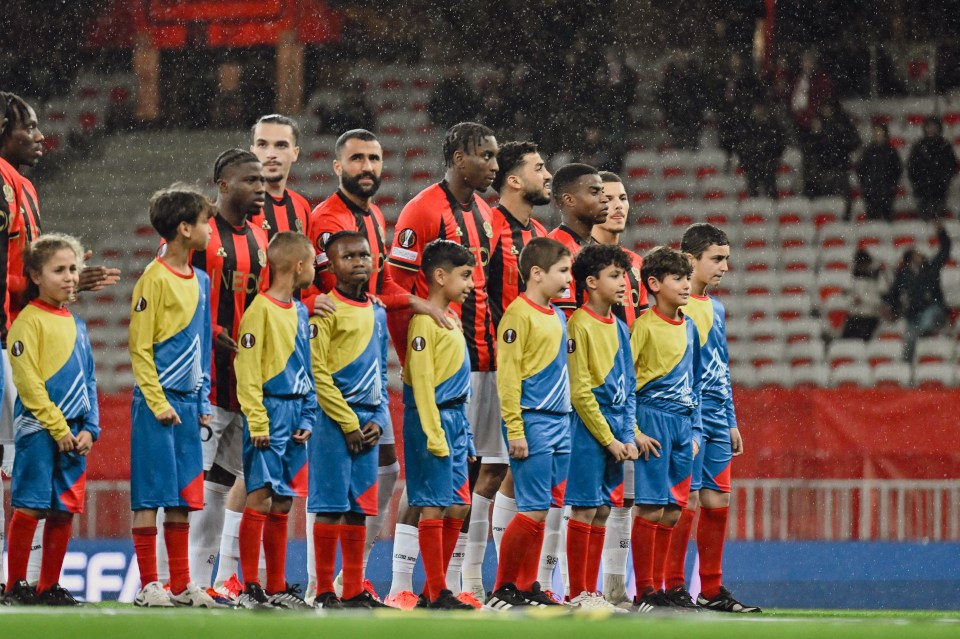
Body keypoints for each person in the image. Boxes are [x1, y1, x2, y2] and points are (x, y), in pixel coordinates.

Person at [306, 129, 449, 604]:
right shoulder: (327, 218)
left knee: (381, 473)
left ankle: (352, 581)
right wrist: (311, 307)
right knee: (330, 493)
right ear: (337, 166)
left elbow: (378, 288)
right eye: (357, 159)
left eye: (374, 158)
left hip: (370, 380)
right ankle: (319, 583)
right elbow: (327, 291)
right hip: (338, 379)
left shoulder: (374, 216)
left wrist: (419, 304)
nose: (367, 167)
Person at [0, 93, 119, 575]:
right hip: (8, 335)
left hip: (14, 332)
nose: (40, 136)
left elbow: (26, 268)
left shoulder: (24, 186)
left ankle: (25, 581)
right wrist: (36, 283)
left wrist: (58, 279)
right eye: (28, 127)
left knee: (20, 464)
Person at [384, 122, 499, 609]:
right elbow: (394, 289)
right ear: (457, 158)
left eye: (496, 157)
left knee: (465, 481)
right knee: (427, 485)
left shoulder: (487, 215)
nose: (494, 164)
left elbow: (484, 289)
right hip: (437, 362)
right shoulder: (422, 209)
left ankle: (450, 584)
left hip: (478, 357)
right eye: (485, 156)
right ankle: (401, 586)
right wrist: (412, 362)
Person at [128, 186, 219, 608]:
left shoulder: (199, 279)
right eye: (205, 222)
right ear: (185, 229)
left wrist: (201, 403)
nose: (210, 229)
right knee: (150, 494)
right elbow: (139, 347)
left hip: (187, 403)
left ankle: (182, 585)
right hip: (156, 403)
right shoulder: (154, 277)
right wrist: (156, 399)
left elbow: (201, 345)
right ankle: (149, 585)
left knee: (184, 496)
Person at [664, 223, 761, 613]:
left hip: (718, 416)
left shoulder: (716, 307)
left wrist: (732, 419)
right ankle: (670, 587)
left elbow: (720, 366)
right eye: (716, 259)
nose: (724, 267)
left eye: (727, 259)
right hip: (688, 415)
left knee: (717, 500)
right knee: (681, 502)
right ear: (690, 260)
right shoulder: (677, 306)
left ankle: (711, 589)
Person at [188, 150, 270, 601]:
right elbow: (177, 295)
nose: (260, 187)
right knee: (195, 487)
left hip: (246, 384)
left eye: (262, 180)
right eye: (249, 180)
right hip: (206, 382)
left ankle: (202, 582)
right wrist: (213, 330)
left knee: (220, 484)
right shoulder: (199, 234)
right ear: (222, 184)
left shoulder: (261, 237)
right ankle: (172, 579)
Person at [2, 234, 98, 606]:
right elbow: (28, 383)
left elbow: (89, 380)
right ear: (36, 276)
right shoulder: (27, 323)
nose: (70, 277)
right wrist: (58, 428)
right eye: (59, 270)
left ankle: (48, 587)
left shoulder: (78, 324)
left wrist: (91, 428)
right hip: (40, 431)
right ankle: (14, 586)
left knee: (64, 509)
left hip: (75, 433)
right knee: (31, 505)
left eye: (73, 269)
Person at [486, 237, 572, 610]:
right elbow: (508, 378)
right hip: (533, 420)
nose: (570, 278)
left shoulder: (559, 314)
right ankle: (502, 587)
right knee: (532, 508)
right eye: (563, 270)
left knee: (545, 508)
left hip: (560, 421)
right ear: (537, 273)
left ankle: (526, 585)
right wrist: (515, 429)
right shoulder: (517, 316)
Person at [480, 140, 551, 595]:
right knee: (483, 473)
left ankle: (515, 584)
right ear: (513, 180)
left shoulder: (538, 234)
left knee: (510, 472)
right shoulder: (487, 225)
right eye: (539, 167)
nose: (547, 174)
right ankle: (466, 582)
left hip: (531, 373)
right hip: (486, 364)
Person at [308, 231, 389, 610]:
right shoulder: (326, 310)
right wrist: (348, 422)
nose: (358, 261)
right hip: (333, 423)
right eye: (348, 256)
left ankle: (353, 588)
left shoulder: (377, 310)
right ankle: (323, 590)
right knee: (331, 506)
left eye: (364, 254)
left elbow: (381, 371)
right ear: (331, 265)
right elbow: (318, 372)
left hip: (368, 425)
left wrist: (378, 420)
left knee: (359, 508)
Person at [234, 232, 316, 609]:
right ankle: (249, 585)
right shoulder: (259, 310)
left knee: (283, 501)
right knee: (261, 497)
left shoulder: (300, 311)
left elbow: (307, 366)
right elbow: (247, 369)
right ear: (298, 266)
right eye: (313, 262)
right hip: (269, 411)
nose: (314, 269)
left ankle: (277, 584)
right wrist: (258, 420)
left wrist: (309, 414)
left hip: (297, 411)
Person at [403, 240, 479, 610]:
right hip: (431, 418)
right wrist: (434, 433)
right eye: (465, 276)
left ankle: (433, 590)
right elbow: (421, 381)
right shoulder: (423, 321)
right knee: (433, 504)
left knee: (459, 505)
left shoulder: (449, 317)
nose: (470, 284)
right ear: (439, 276)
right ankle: (437, 591)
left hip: (455, 419)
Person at [563, 244, 640, 612]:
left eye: (623, 275)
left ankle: (590, 591)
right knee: (584, 507)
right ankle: (577, 591)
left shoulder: (621, 326)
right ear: (591, 282)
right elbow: (580, 391)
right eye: (614, 276)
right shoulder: (578, 324)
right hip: (587, 432)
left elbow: (629, 387)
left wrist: (626, 436)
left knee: (604, 510)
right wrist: (609, 439)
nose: (623, 282)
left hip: (613, 435)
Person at [629, 246, 702, 612]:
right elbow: (625, 381)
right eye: (678, 278)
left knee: (674, 508)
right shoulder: (643, 326)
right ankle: (644, 592)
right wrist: (633, 429)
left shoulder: (690, 327)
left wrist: (696, 431)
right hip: (652, 419)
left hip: (682, 425)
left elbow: (697, 381)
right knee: (651, 507)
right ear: (654, 284)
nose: (687, 284)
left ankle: (661, 589)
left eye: (688, 277)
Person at [547, 163, 608, 318]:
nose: (604, 199)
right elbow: (563, 320)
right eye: (595, 192)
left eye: (603, 192)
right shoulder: (555, 250)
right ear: (569, 199)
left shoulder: (599, 249)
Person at [884, 223, 952, 361]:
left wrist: (941, 233)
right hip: (913, 313)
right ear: (909, 260)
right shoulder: (902, 275)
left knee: (927, 318)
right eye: (917, 255)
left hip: (934, 308)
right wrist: (893, 310)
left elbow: (945, 250)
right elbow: (894, 294)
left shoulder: (931, 269)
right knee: (909, 337)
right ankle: (906, 370)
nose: (921, 256)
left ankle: (924, 333)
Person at [595, 172, 648, 326]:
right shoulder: (578, 259)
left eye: (623, 198)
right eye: (608, 199)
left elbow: (642, 325)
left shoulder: (637, 262)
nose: (618, 205)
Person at [249, 114, 312, 240]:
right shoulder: (241, 206)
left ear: (295, 153)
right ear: (252, 152)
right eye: (262, 145)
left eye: (281, 145)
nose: (271, 154)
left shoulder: (302, 206)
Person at [907, 117, 958, 221]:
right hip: (922, 189)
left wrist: (944, 181)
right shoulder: (919, 146)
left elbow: (952, 166)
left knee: (939, 221)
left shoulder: (945, 145)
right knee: (923, 222)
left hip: (939, 190)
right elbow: (911, 167)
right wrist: (918, 182)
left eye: (934, 126)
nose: (931, 129)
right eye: (929, 126)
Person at [739, 103, 787, 199]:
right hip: (753, 163)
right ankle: (753, 208)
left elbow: (780, 143)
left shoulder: (773, 125)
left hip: (769, 162)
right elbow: (743, 144)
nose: (759, 110)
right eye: (757, 107)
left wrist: (771, 154)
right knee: (753, 189)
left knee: (770, 188)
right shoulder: (749, 125)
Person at [856, 123, 902, 222]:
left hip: (887, 190)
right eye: (875, 132)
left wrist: (891, 184)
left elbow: (897, 169)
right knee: (872, 218)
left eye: (879, 131)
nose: (877, 134)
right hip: (871, 190)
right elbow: (860, 169)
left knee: (887, 217)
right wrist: (866, 184)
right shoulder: (868, 151)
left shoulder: (891, 151)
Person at [841, 248, 888, 341]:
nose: (860, 266)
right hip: (854, 315)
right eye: (858, 264)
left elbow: (881, 300)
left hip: (871, 316)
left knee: (863, 342)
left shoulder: (878, 276)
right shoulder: (853, 276)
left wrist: (863, 300)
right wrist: (852, 300)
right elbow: (846, 295)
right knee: (844, 342)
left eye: (863, 263)